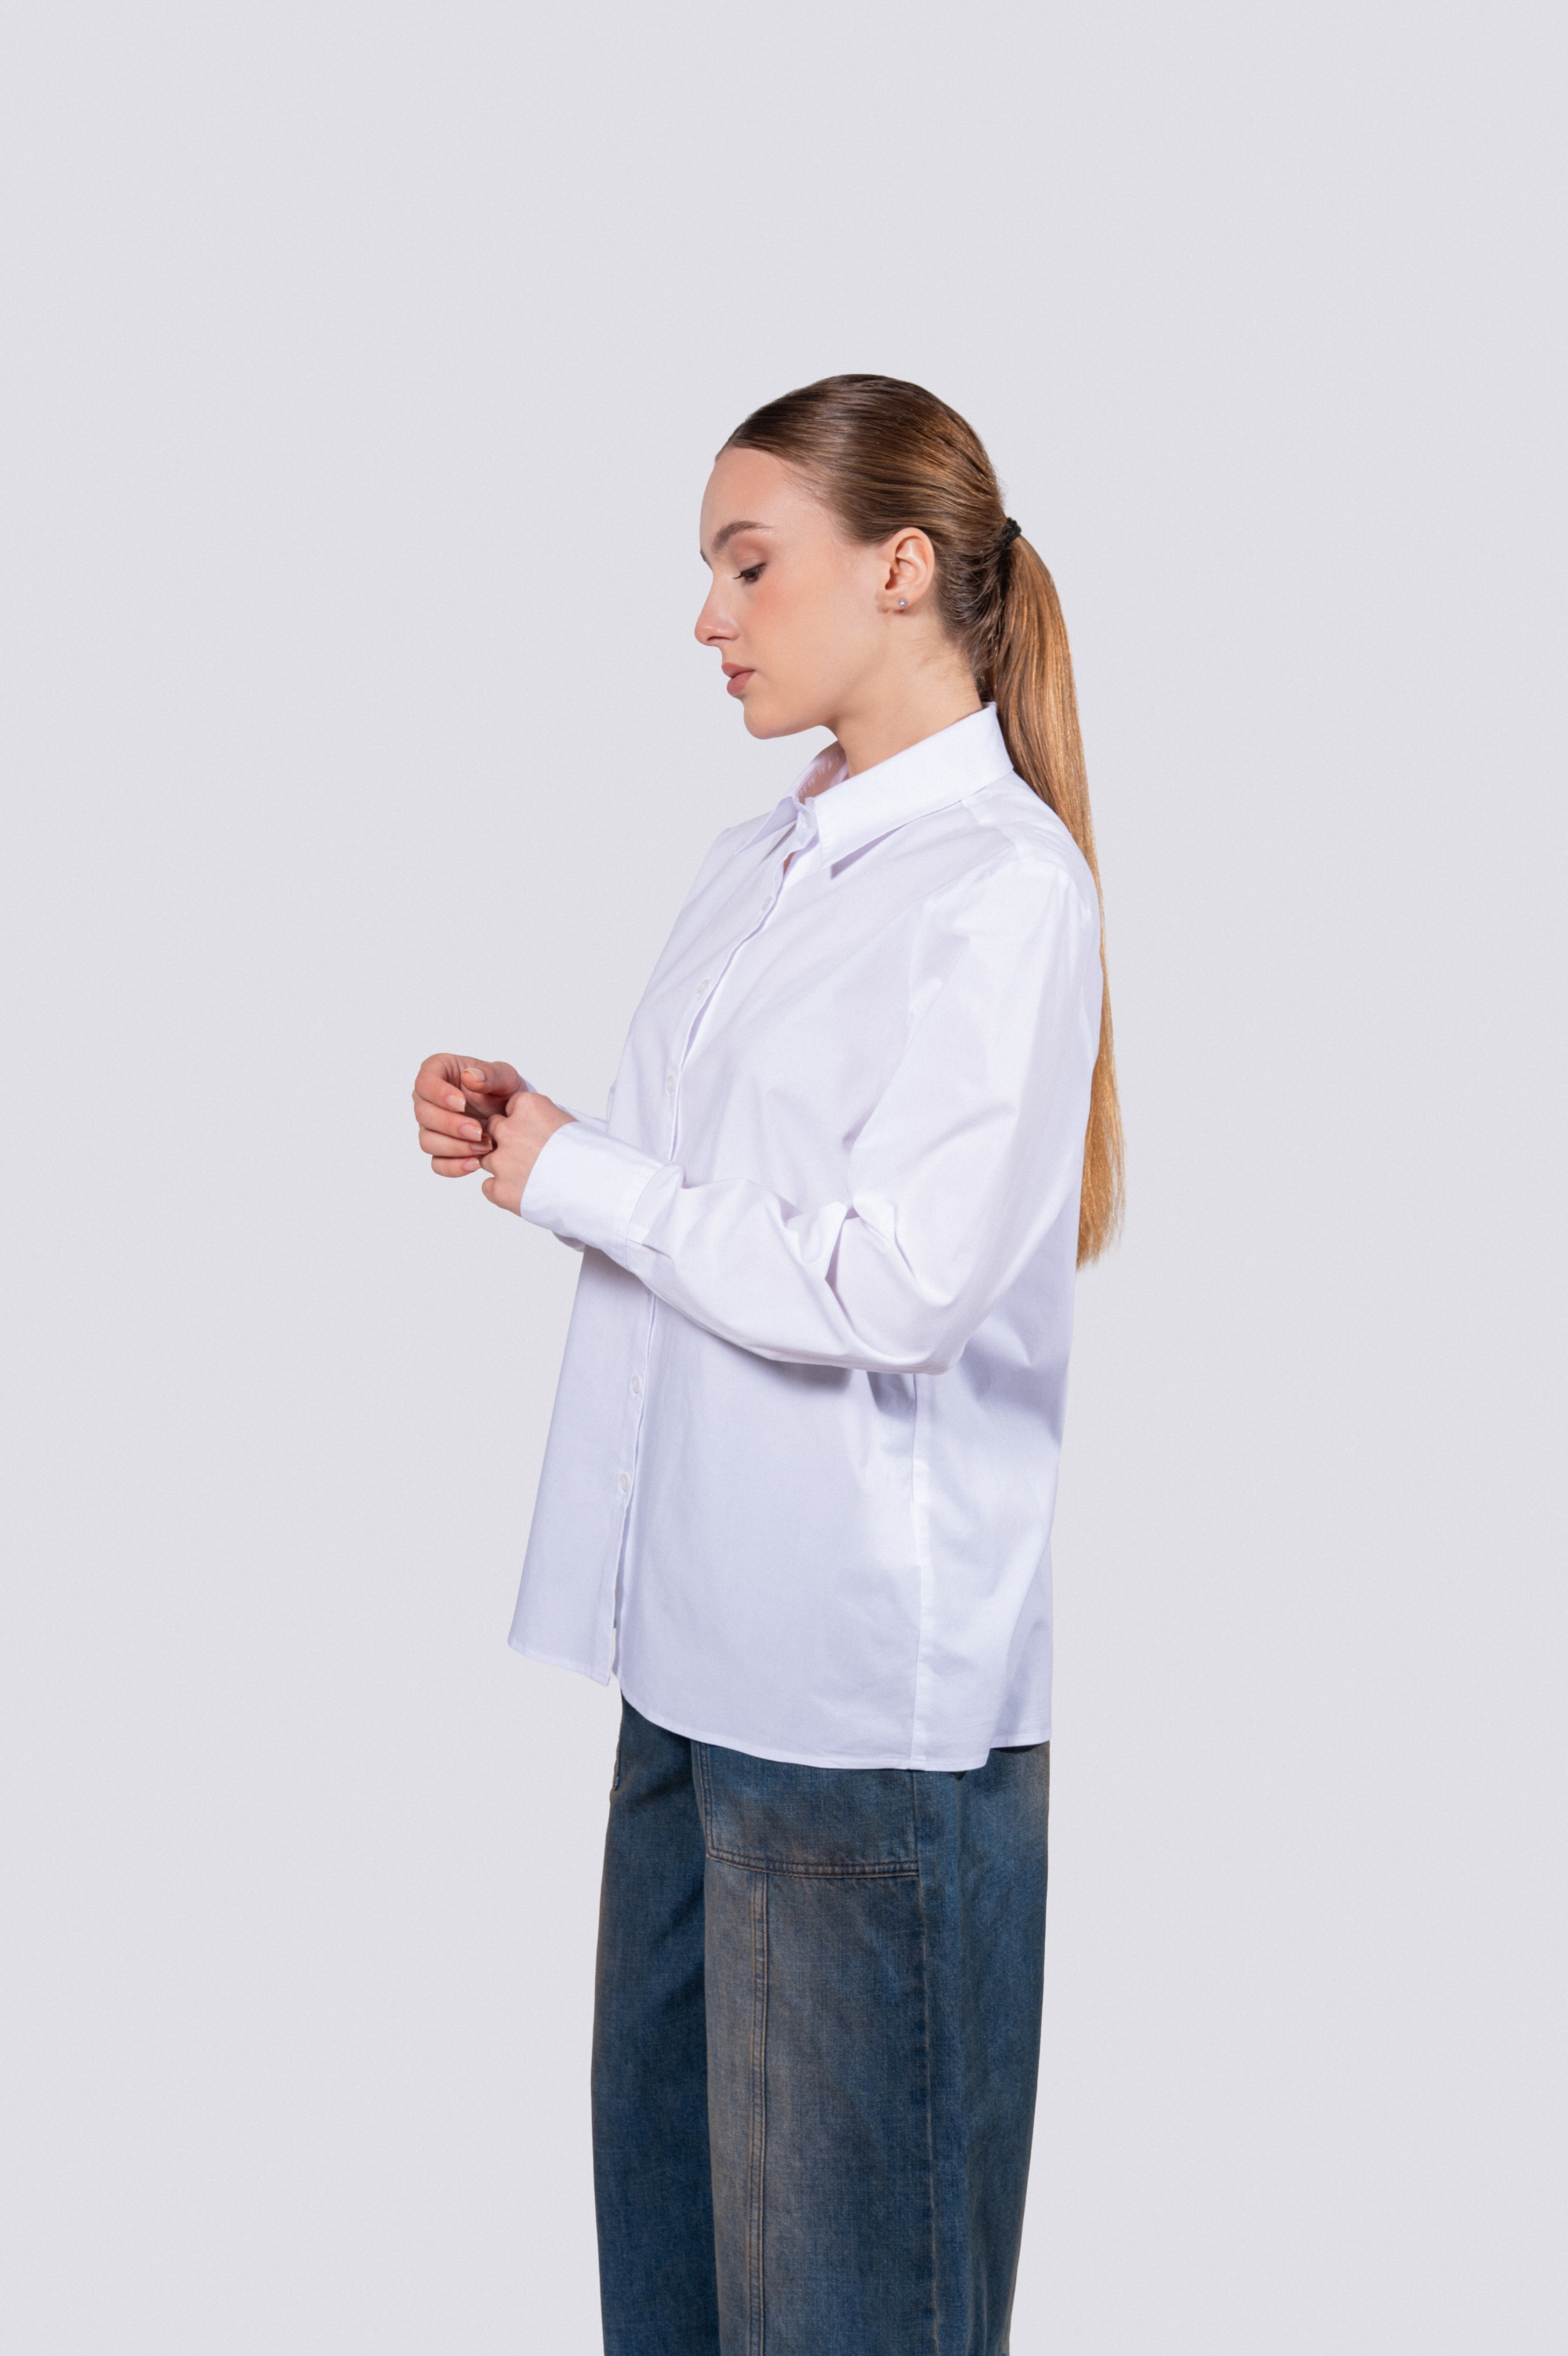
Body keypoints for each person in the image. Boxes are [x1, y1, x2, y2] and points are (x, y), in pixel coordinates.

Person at [411, 374, 1123, 2356]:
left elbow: (893, 1288)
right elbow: (720, 1213)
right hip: (687, 1665)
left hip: (853, 1708)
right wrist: (541, 1135)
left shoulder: (1000, 889)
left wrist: (586, 1177)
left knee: (840, 2318)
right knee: (676, 2302)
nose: (707, 618)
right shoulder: (764, 857)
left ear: (899, 567)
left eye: (747, 565)